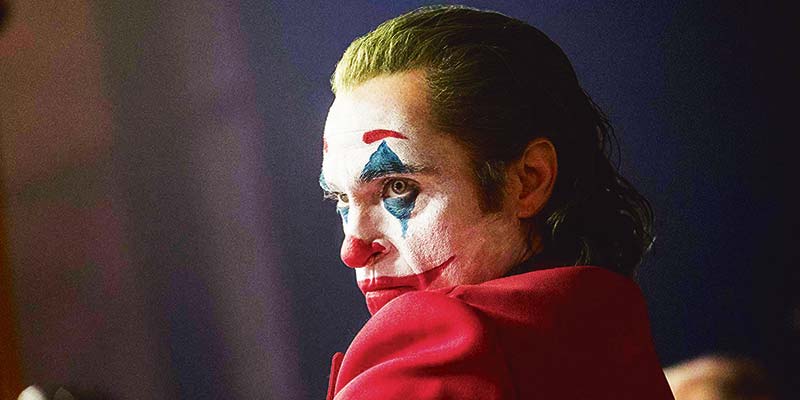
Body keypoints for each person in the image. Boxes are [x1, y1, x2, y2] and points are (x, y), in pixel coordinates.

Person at [319, 5, 674, 399]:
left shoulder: (441, 344)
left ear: (527, 181)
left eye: (397, 187)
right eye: (341, 198)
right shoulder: (610, 334)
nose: (352, 249)